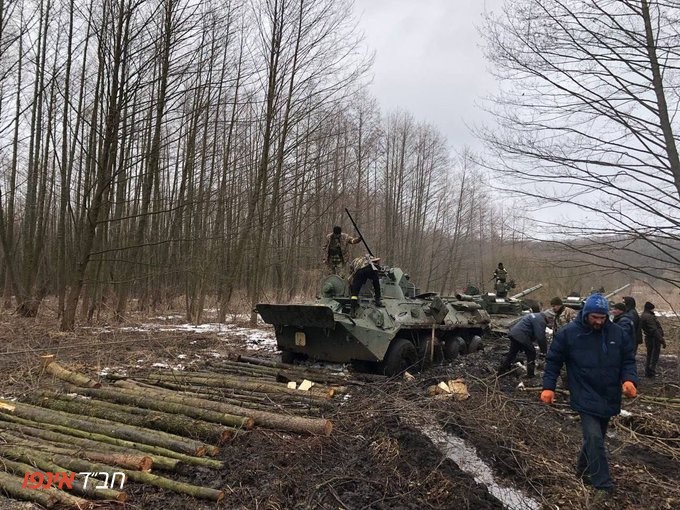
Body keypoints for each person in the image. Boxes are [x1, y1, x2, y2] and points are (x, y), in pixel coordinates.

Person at [540, 293, 638, 495]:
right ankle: (603, 484)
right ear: (586, 314)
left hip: (609, 394)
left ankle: (582, 469)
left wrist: (629, 380)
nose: (599, 322)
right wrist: (548, 387)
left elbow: (628, 360)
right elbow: (553, 363)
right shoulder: (569, 334)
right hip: (583, 392)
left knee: (597, 437)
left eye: (602, 318)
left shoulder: (617, 334)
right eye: (595, 317)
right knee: (594, 438)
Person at [497, 309, 554, 378]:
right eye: (552, 320)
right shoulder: (541, 320)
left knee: (512, 353)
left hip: (514, 333)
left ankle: (501, 371)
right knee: (531, 353)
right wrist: (544, 351)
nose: (551, 322)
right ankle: (530, 375)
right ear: (549, 317)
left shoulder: (536, 315)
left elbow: (535, 333)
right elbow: (540, 336)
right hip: (521, 335)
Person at [640, 301, 666, 378]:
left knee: (650, 355)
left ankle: (648, 373)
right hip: (653, 339)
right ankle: (651, 373)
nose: (653, 311)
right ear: (650, 309)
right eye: (652, 309)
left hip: (650, 338)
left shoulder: (644, 315)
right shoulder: (649, 317)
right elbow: (654, 329)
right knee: (653, 357)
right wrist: (662, 340)